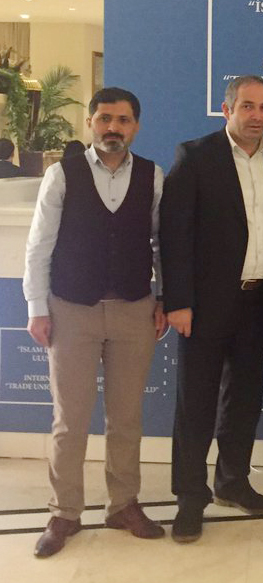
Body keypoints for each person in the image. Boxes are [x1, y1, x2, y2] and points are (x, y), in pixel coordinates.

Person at [23, 87, 167, 557]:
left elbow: (160, 245)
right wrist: (36, 307)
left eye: (123, 120)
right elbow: (39, 245)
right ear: (90, 123)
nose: (113, 128)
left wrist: (163, 298)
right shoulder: (61, 174)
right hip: (72, 310)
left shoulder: (152, 175)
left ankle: (123, 505)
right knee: (70, 420)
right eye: (105, 118)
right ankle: (64, 512)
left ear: (135, 127)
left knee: (126, 418)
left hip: (133, 310)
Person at [161, 75, 263, 543]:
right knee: (195, 405)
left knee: (244, 400)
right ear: (227, 109)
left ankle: (233, 482)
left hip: (259, 301)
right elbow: (174, 234)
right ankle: (189, 499)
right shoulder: (196, 156)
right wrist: (178, 301)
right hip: (204, 305)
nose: (257, 115)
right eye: (247, 106)